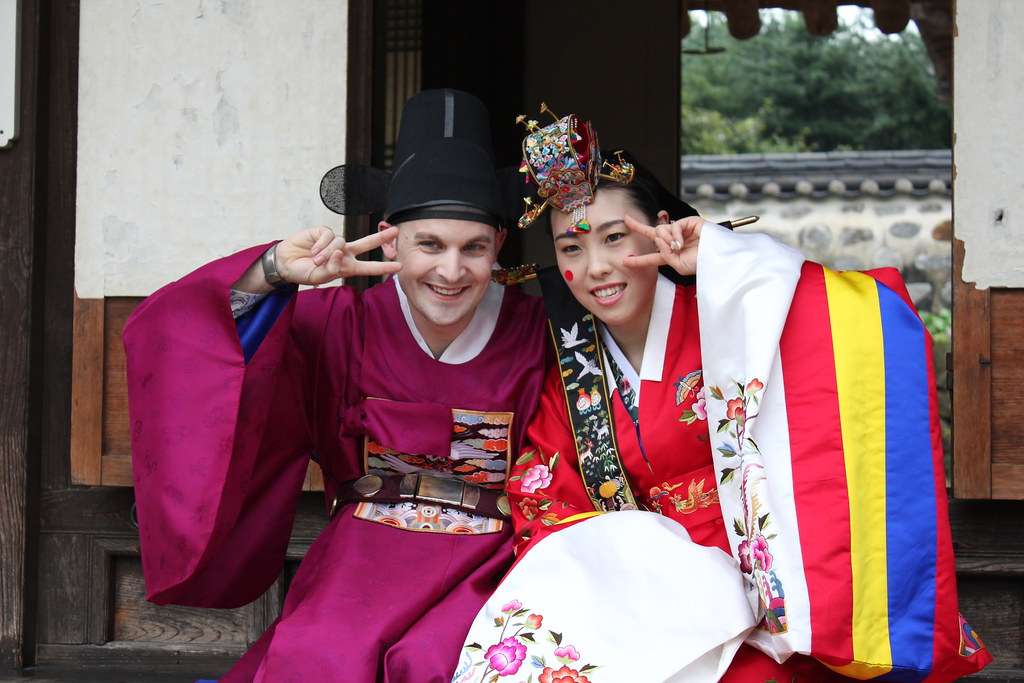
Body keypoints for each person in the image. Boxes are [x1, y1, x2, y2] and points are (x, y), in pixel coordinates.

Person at [452, 111, 991, 682]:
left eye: (616, 238)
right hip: (646, 590)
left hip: (758, 584)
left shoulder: (730, 319)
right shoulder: (572, 365)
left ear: (661, 227)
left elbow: (850, 321)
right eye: (572, 248)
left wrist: (722, 258)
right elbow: (546, 497)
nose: (598, 268)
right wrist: (638, 564)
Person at [123, 89, 548, 682]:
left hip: (493, 558)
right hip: (362, 554)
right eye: (429, 244)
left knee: (437, 664)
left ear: (499, 245)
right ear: (389, 237)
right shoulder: (339, 320)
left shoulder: (539, 331)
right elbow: (188, 337)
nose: (451, 271)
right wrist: (272, 271)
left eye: (473, 248)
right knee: (317, 656)